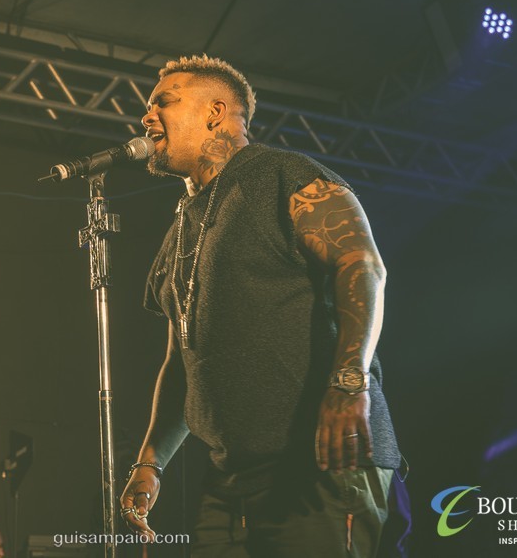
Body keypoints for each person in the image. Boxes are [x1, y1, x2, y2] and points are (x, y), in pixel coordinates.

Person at [119, 55, 401, 557]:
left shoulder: (282, 174)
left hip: (321, 460)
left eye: (164, 102)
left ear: (215, 112)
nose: (147, 116)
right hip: (231, 481)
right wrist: (150, 462)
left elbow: (362, 266)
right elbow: (182, 361)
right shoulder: (177, 234)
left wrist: (348, 381)